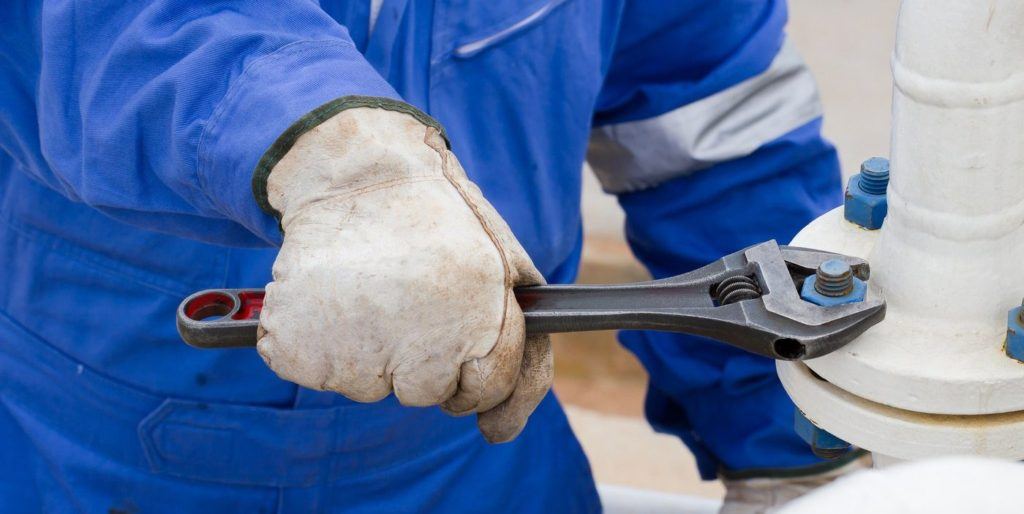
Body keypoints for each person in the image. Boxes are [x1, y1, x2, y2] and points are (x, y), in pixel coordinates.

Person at [0, 1, 862, 512]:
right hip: (101, 454)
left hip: (483, 460)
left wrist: (791, 451)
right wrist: (337, 158)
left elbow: (711, 131)